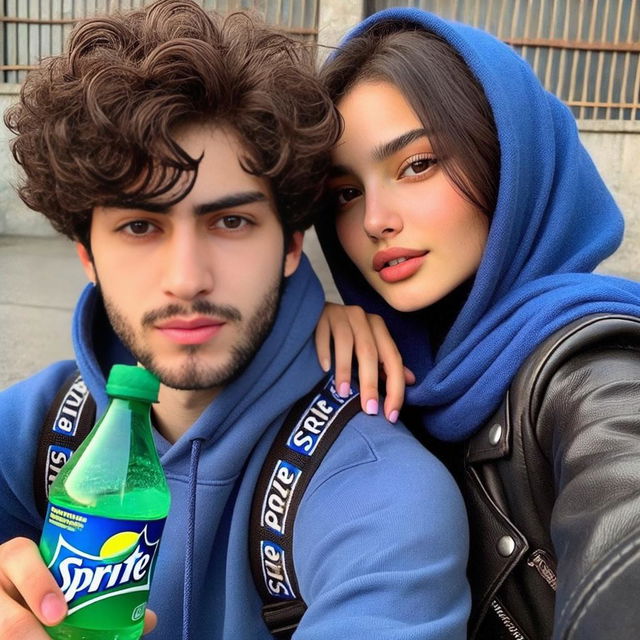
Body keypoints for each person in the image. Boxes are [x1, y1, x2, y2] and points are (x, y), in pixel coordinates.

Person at [0, 1, 471, 638]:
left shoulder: (377, 493)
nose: (188, 278)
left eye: (231, 222)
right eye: (140, 226)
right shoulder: (32, 431)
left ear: (290, 246)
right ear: (88, 255)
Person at [315, 7, 640, 640]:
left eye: (416, 165)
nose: (375, 220)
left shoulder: (593, 370)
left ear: (509, 162)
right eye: (347, 192)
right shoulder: (415, 361)